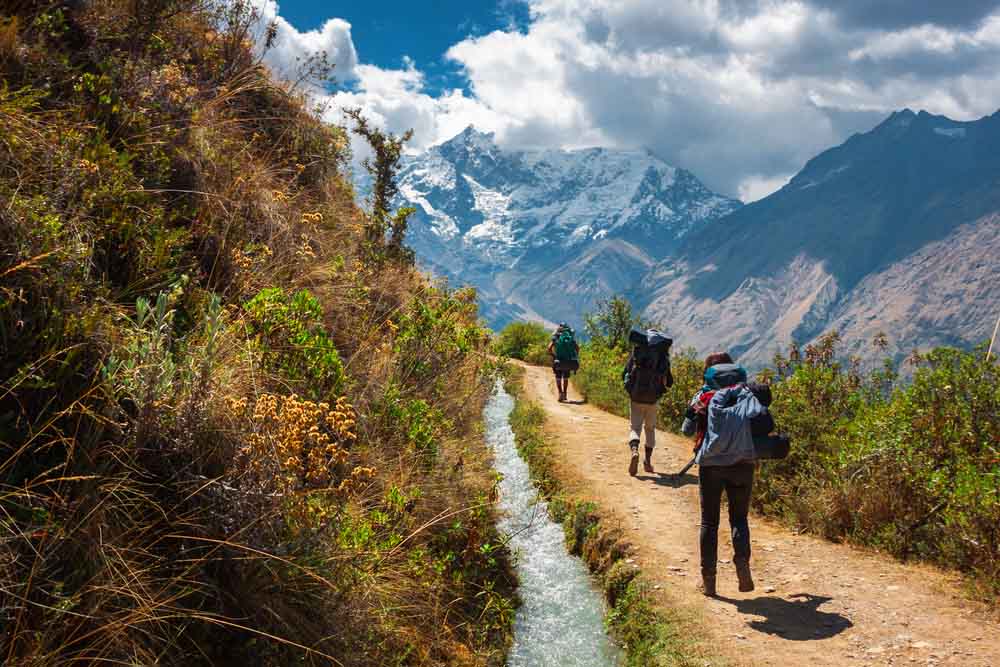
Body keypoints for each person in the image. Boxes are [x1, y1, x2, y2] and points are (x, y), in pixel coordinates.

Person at [681, 352, 760, 597]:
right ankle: (742, 564)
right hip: (743, 463)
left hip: (711, 465)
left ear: (708, 372)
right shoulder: (746, 393)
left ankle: (710, 581)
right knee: (739, 518)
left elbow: (686, 430)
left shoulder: (703, 396)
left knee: (709, 522)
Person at [622, 329, 673, 476]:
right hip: (653, 399)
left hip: (636, 396)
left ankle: (634, 451)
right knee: (650, 429)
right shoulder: (663, 358)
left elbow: (624, 374)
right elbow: (670, 382)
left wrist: (630, 388)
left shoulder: (637, 353)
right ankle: (648, 462)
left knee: (635, 427)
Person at [547, 322, 579, 402]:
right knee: (565, 378)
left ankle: (560, 393)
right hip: (568, 361)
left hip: (558, 361)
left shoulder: (556, 337)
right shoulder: (570, 337)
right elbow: (577, 348)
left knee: (558, 378)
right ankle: (565, 393)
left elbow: (549, 348)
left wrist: (554, 356)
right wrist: (574, 356)